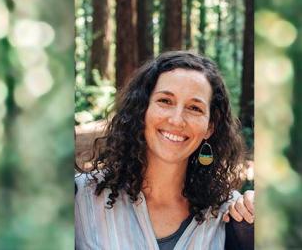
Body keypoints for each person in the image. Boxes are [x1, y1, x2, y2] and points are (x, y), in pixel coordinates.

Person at [75, 51, 254, 250]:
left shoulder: (230, 215)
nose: (177, 120)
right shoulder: (81, 199)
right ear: (142, 110)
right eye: (165, 101)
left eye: (194, 108)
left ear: (210, 127)